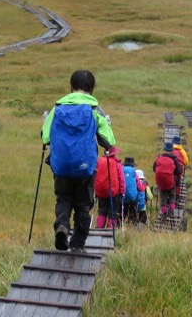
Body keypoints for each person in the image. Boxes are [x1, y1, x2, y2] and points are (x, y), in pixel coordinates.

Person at [41, 70, 116, 253]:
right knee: (84, 205)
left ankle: (62, 226)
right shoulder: (94, 109)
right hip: (85, 168)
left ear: (71, 87)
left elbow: (45, 137)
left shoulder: (57, 108)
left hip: (61, 166)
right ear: (91, 88)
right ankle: (77, 245)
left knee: (64, 198)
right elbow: (109, 142)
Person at [94, 146, 124, 229]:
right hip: (114, 192)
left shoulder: (99, 161)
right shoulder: (117, 164)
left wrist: (96, 191)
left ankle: (99, 228)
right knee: (113, 212)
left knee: (102, 211)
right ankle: (110, 229)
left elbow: (95, 176)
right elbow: (121, 178)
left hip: (101, 192)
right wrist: (122, 191)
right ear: (114, 154)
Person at [153, 142, 183, 220]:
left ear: (165, 149)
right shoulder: (174, 158)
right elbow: (179, 171)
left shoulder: (159, 157)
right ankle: (171, 212)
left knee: (163, 196)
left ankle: (163, 213)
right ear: (171, 150)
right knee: (172, 195)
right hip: (170, 181)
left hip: (160, 181)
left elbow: (154, 168)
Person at [122, 157, 142, 224]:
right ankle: (132, 225)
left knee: (122, 214)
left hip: (122, 196)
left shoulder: (121, 171)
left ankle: (120, 226)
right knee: (133, 214)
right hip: (132, 198)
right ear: (133, 165)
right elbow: (140, 187)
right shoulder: (134, 172)